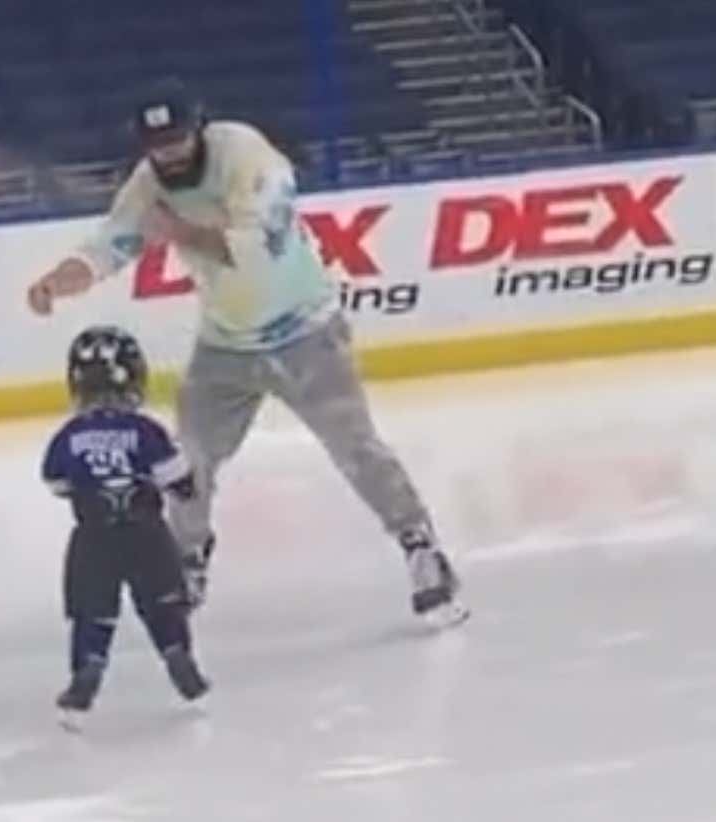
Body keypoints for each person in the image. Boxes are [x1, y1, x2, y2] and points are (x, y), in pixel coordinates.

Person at [27, 77, 469, 630]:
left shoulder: (249, 158)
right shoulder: (149, 184)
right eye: (157, 145)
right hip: (226, 345)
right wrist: (57, 281)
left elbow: (253, 252)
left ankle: (420, 547)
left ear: (199, 129)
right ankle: (187, 558)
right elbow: (111, 243)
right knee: (187, 459)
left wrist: (177, 230)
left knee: (356, 448)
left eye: (178, 140)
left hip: (306, 332)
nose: (168, 153)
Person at [41, 325, 211, 727]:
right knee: (163, 604)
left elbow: (55, 481)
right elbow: (180, 481)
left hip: (93, 538)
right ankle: (178, 657)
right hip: (147, 535)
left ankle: (88, 669)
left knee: (91, 612)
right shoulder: (146, 431)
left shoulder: (70, 435)